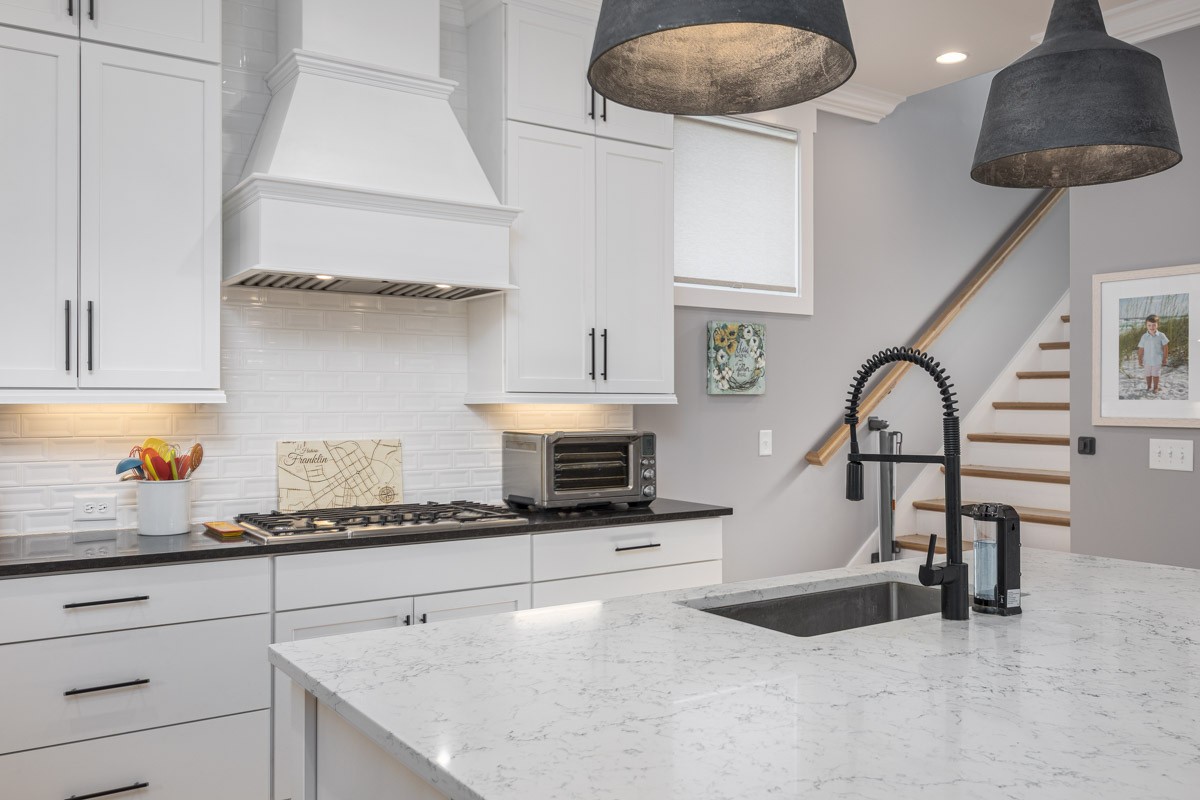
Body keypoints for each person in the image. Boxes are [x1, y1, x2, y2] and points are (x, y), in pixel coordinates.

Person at [1137, 314, 1170, 394]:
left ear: (1157, 325)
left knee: (1156, 374)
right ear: (1146, 325)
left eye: (1154, 325)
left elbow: (1165, 347)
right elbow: (1141, 348)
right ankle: (1149, 386)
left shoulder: (1161, 335)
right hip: (1147, 360)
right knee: (1148, 374)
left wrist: (1165, 358)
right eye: (1149, 325)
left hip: (1157, 360)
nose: (1151, 327)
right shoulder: (1144, 336)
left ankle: (1155, 387)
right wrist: (1140, 359)